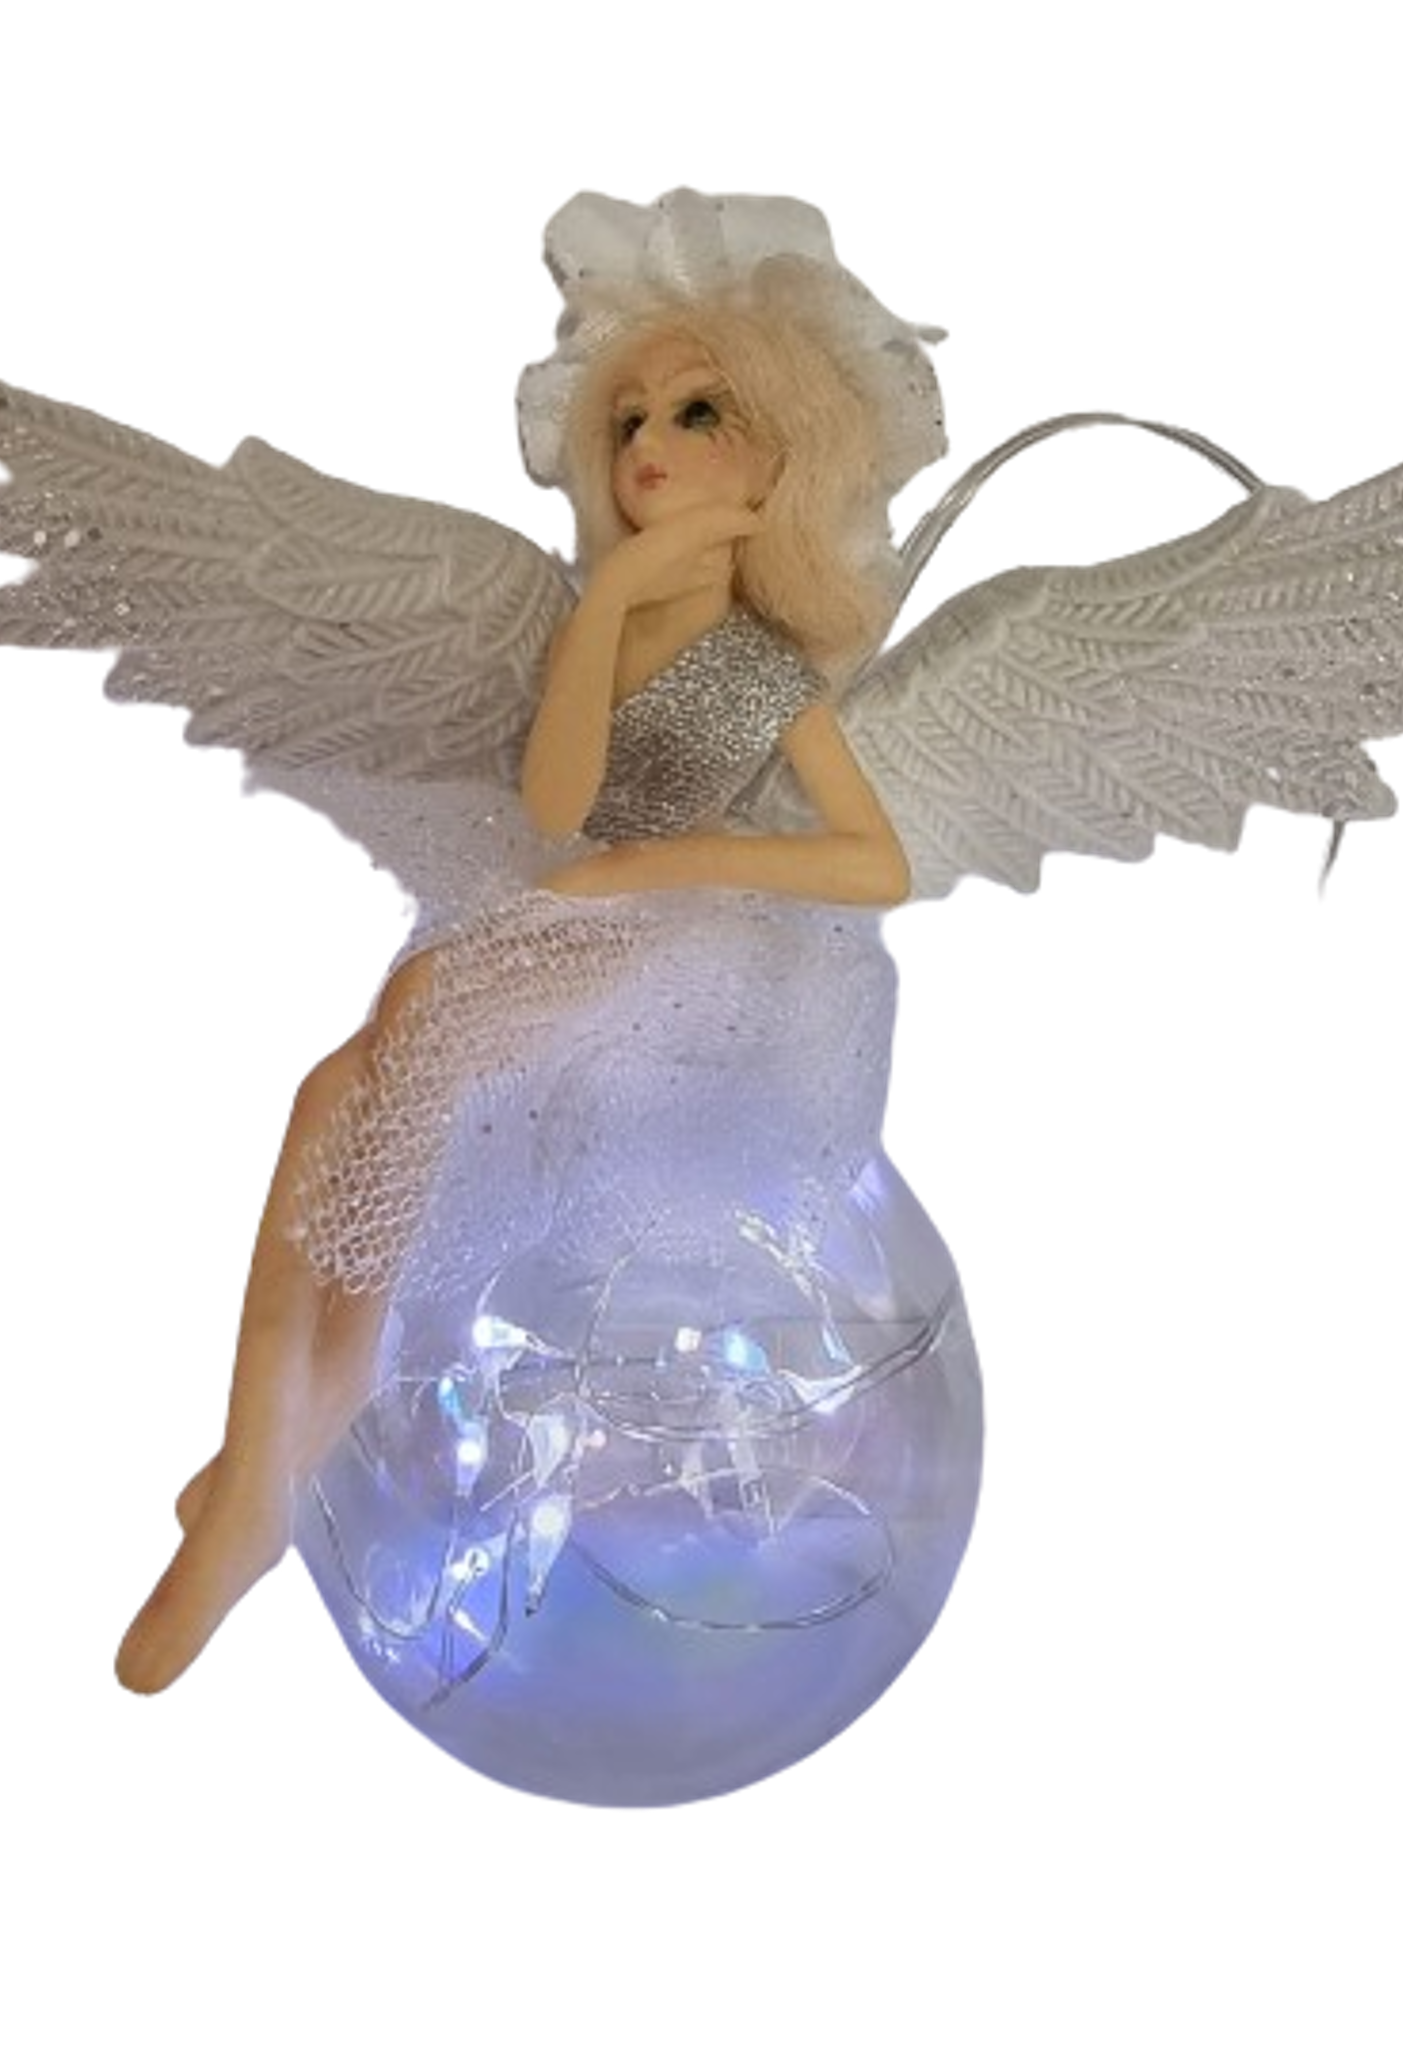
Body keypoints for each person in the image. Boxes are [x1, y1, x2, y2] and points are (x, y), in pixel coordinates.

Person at [114, 256, 934, 1695]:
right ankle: (268, 1448)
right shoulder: (609, 626)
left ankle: (268, 1470)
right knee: (335, 1088)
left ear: (777, 458)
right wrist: (611, 599)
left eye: (696, 414)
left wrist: (673, 866)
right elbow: (557, 800)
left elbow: (876, 865)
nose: (648, 447)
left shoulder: (766, 674)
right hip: (557, 903)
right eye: (627, 421)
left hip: (675, 950)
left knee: (409, 1063)